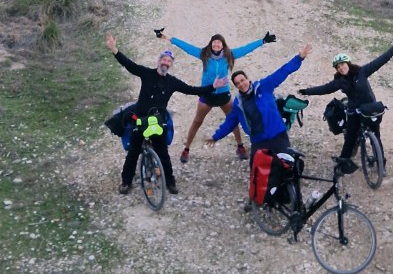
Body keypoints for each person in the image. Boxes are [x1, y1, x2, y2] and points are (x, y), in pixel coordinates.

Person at [106, 32, 226, 196]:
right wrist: (114, 50)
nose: (166, 62)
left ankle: (170, 182)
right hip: (140, 119)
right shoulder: (146, 73)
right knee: (133, 152)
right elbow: (129, 65)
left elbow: (192, 90)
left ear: (171, 65)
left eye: (169, 61)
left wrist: (213, 86)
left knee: (163, 154)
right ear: (159, 61)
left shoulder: (172, 82)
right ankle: (126, 182)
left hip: (158, 121)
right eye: (164, 59)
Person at [156, 30, 277, 163]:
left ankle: (240, 146)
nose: (216, 44)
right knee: (197, 122)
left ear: (223, 45)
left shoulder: (229, 55)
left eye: (219, 42)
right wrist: (167, 37)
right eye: (214, 42)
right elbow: (187, 47)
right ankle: (186, 149)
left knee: (233, 121)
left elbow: (245, 49)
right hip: (207, 94)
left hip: (223, 95)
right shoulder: (204, 55)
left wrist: (262, 41)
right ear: (211, 44)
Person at [299, 38, 393, 171]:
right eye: (338, 67)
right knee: (350, 137)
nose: (341, 68)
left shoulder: (362, 72)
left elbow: (379, 61)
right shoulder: (340, 81)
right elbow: (325, 88)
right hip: (354, 110)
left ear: (348, 63)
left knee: (376, 136)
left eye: (342, 64)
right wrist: (307, 91)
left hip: (369, 108)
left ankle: (381, 164)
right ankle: (343, 163)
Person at [206, 44, 312, 165]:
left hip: (277, 134)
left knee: (286, 166)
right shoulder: (238, 104)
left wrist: (299, 58)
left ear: (248, 79)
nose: (241, 84)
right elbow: (230, 122)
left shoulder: (264, 86)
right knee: (257, 169)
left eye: (242, 80)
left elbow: (282, 72)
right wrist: (216, 137)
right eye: (237, 83)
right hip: (259, 140)